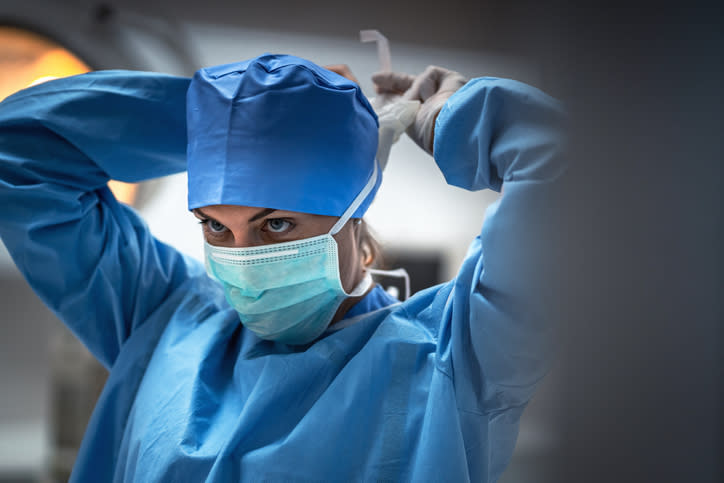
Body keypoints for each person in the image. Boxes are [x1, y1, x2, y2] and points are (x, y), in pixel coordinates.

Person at [0, 53, 565, 481]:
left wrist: (455, 119)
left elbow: (580, 179)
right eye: (216, 226)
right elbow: (16, 149)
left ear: (353, 216)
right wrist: (229, 118)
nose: (241, 259)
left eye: (275, 225)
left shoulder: (457, 354)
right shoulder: (163, 316)